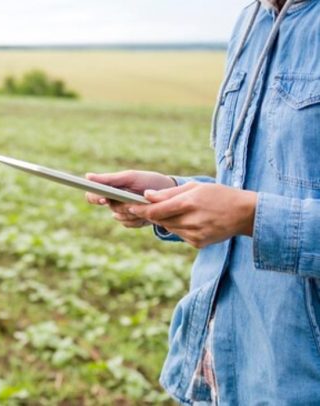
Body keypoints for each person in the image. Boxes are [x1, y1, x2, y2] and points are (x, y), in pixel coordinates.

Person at [84, 0, 320, 403]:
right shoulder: (251, 21)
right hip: (219, 365)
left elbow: (250, 206)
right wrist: (171, 190)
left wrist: (250, 216)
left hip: (297, 375)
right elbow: (250, 184)